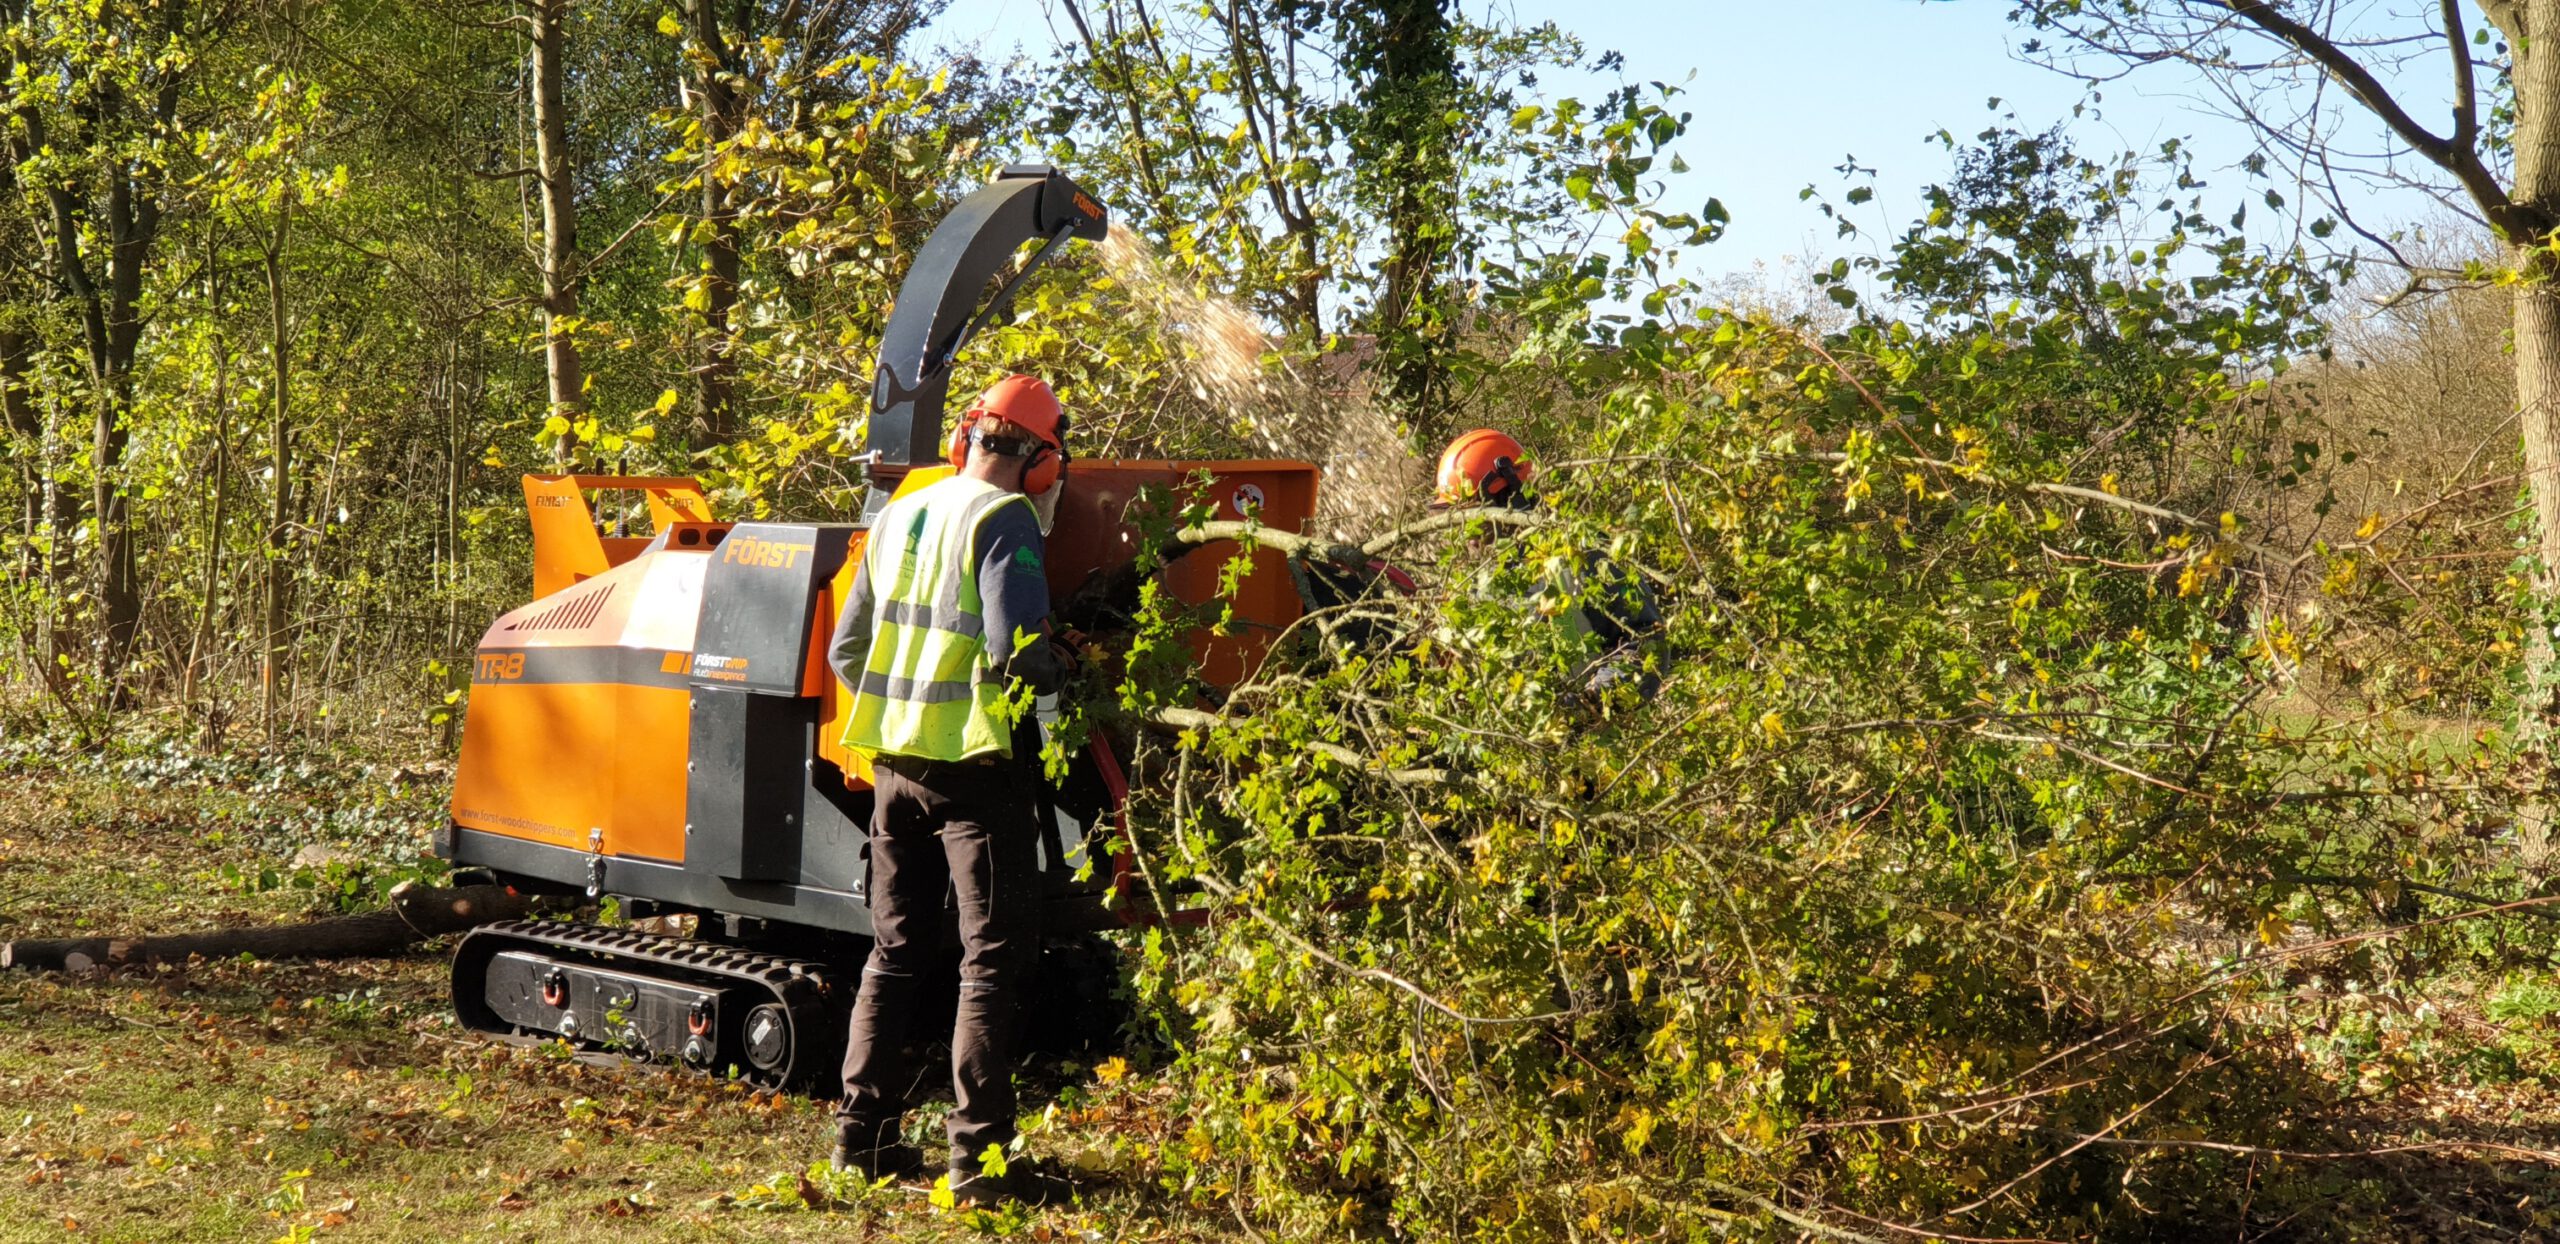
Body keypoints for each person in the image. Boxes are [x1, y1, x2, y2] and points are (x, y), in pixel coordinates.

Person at [825, 373, 1075, 1206]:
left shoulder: (900, 512)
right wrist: (1063, 673)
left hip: (893, 767)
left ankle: (860, 1142)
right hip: (973, 769)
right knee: (991, 961)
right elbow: (1016, 652)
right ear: (1042, 462)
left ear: (970, 435)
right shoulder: (1006, 521)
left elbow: (846, 651)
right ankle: (977, 1161)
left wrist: (903, 711)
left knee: (894, 952)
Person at [1433, 428, 1662, 700]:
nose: (1467, 533)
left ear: (1511, 495)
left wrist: (1591, 701)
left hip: (1600, 732)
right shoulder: (1479, 586)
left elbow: (1648, 639)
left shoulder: (1581, 553)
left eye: (1472, 515)